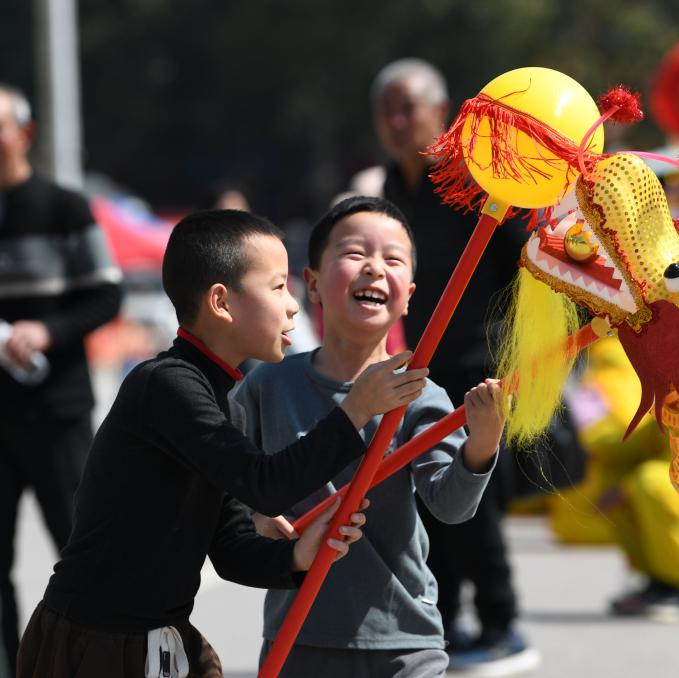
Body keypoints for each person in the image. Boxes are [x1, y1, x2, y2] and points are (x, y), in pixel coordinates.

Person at [16, 209, 427, 677]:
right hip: (95, 641)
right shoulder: (166, 385)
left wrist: (297, 556)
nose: (292, 305)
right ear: (221, 302)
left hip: (161, 636)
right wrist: (355, 410)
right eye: (278, 287)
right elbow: (265, 486)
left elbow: (230, 546)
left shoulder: (223, 405)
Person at [235, 196, 505, 677]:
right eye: (355, 253)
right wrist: (254, 515)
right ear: (312, 284)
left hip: (404, 639)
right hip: (299, 634)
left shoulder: (420, 394)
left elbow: (449, 506)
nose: (375, 268)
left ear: (409, 295)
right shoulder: (268, 385)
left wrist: (481, 445)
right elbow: (224, 480)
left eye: (393, 259)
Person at [370, 58, 539, 672]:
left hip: (481, 362)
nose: (396, 122)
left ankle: (501, 624)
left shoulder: (476, 181)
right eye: (386, 111)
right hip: (423, 367)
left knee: (476, 498)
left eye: (407, 108)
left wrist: (523, 353)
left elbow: (528, 265)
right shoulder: (389, 188)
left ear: (440, 113)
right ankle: (444, 622)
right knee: (428, 496)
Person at [0, 83, 122, 676]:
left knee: (82, 551)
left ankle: (97, 663)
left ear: (24, 134)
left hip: (57, 413)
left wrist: (47, 331)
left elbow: (107, 295)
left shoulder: (64, 207)